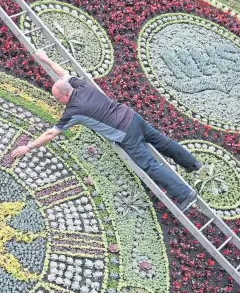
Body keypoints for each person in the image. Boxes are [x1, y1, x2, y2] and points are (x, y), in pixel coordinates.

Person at [11, 50, 202, 211]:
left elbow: (51, 133)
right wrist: (46, 59)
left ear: (66, 94)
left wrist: (29, 146)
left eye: (57, 98)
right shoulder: (79, 85)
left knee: (150, 165)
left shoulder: (74, 111)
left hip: (124, 132)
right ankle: (192, 164)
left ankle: (185, 194)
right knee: (163, 142)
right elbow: (63, 74)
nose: (57, 102)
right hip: (132, 116)